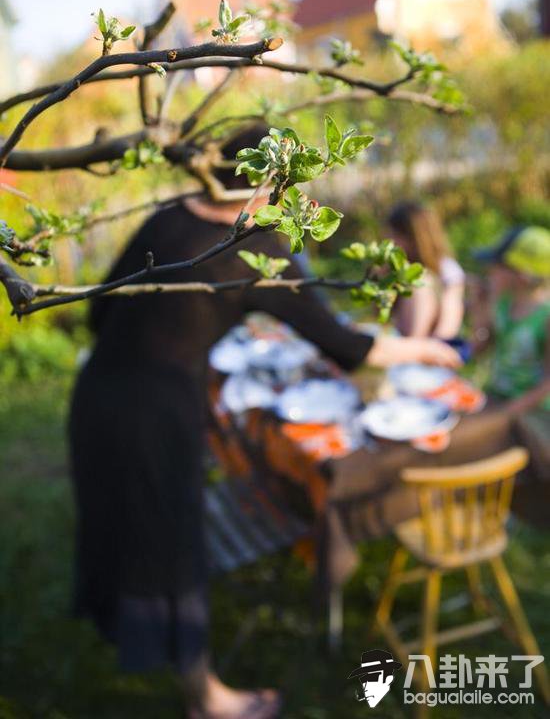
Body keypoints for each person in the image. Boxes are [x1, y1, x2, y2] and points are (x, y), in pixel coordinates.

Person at [69, 127, 460, 719]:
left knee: (118, 520)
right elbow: (346, 346)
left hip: (95, 396)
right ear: (273, 182)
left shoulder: (170, 214)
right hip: (156, 415)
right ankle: (208, 700)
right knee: (174, 543)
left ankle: (117, 626)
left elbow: (100, 309)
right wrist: (424, 352)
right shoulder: (258, 248)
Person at [472, 225, 550, 414]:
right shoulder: (504, 303)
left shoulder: (545, 317)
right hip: (497, 398)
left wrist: (506, 413)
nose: (489, 271)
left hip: (533, 413)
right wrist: (479, 305)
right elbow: (478, 348)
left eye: (498, 267)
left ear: (522, 275)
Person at [387, 201, 465, 339]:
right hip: (403, 342)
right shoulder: (396, 267)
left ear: (414, 237)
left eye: (395, 236)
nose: (390, 242)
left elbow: (448, 326)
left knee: (421, 284)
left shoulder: (447, 270)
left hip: (430, 346)